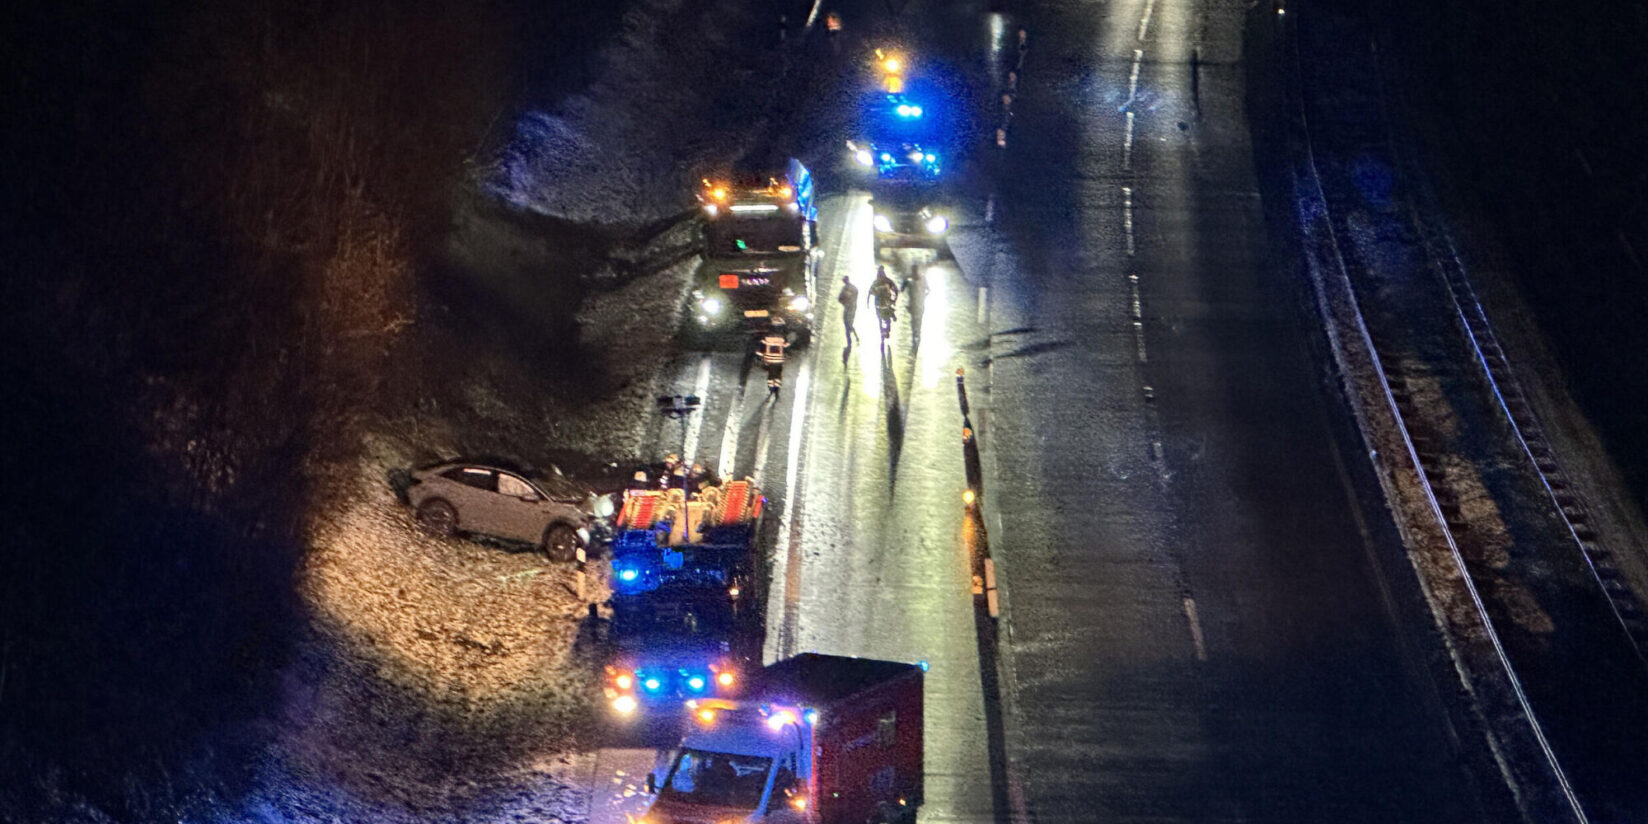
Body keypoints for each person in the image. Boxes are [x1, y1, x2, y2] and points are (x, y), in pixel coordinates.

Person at [757, 324, 789, 398]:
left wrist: (760, 356)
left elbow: (761, 349)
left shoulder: (766, 338)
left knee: (770, 375)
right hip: (779, 360)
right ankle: (777, 390)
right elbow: (786, 347)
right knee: (778, 375)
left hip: (769, 360)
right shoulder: (782, 338)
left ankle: (771, 390)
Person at [868, 265, 899, 340]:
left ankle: (883, 331)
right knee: (886, 318)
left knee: (880, 318)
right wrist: (894, 300)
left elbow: (870, 293)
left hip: (879, 304)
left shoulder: (876, 282)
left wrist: (868, 303)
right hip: (885, 304)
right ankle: (886, 329)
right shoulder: (887, 281)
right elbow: (896, 290)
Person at [837, 276, 860, 342]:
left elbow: (854, 297)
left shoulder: (852, 288)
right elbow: (839, 299)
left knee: (849, 323)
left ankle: (856, 337)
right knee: (845, 321)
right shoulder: (845, 289)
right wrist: (845, 303)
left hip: (851, 308)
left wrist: (847, 302)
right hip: (848, 308)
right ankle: (850, 335)